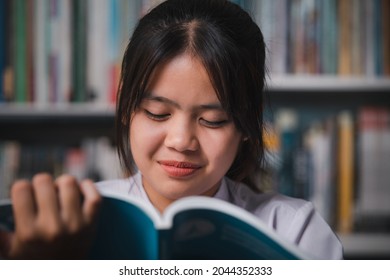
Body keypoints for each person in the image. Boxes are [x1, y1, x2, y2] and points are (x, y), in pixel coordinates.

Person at [0, 0, 342, 259]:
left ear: (247, 125)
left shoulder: (295, 230)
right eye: (157, 113)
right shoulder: (70, 219)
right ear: (126, 110)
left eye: (213, 120)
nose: (180, 141)